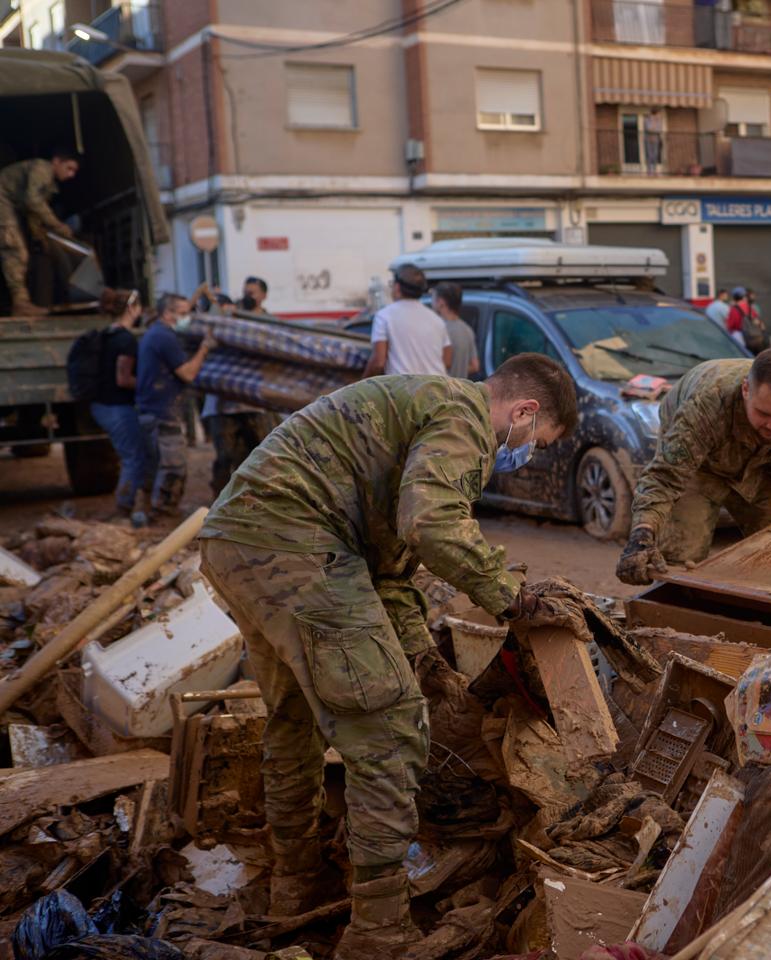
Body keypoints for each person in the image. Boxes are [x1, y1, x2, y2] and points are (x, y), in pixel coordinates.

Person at [197, 355, 580, 957]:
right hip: (296, 543)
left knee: (295, 717)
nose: (524, 454)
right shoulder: (465, 416)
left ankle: (294, 886)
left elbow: (390, 568)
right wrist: (512, 597)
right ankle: (378, 933)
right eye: (536, 441)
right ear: (525, 411)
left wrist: (424, 657)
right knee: (388, 725)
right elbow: (430, 523)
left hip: (243, 539)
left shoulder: (422, 404)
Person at [615, 348, 771, 584]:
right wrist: (642, 535)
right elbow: (664, 479)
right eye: (763, 413)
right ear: (745, 390)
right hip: (699, 465)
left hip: (758, 466)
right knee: (680, 558)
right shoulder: (705, 407)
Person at [135, 293, 214, 519]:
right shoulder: (164, 337)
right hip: (162, 412)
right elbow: (188, 373)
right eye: (182, 313)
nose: (187, 317)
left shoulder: (155, 335)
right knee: (173, 467)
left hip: (153, 410)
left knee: (156, 464)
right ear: (168, 313)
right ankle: (163, 514)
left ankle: (151, 510)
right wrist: (205, 348)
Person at [201, 275, 280, 497]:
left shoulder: (271, 323)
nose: (247, 296)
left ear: (263, 296)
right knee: (225, 457)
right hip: (223, 406)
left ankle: (257, 501)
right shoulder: (229, 319)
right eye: (245, 292)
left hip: (256, 404)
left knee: (261, 455)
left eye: (252, 293)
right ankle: (219, 504)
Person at [88, 289, 145, 525]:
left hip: (101, 405)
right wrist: (151, 384)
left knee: (131, 455)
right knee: (133, 457)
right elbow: (123, 378)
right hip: (117, 407)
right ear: (132, 309)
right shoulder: (126, 340)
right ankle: (123, 509)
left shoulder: (107, 334)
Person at [0, 149, 80, 316]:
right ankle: (20, 303)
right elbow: (33, 201)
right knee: (15, 250)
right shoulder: (42, 169)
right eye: (69, 168)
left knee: (21, 251)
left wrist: (40, 236)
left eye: (74, 171)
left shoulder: (49, 184)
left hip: (9, 203)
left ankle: (21, 302)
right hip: (2, 199)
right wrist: (58, 226)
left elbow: (33, 214)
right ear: (56, 161)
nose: (71, 175)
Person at [363, 263, 451, 377]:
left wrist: (358, 389)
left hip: (406, 391)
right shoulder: (437, 320)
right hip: (437, 389)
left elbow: (378, 363)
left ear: (397, 287)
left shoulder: (384, 316)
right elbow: (447, 361)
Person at [433, 281, 480, 379]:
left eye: (433, 299)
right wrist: (460, 369)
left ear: (441, 302)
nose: (432, 303)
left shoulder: (438, 329)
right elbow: (475, 366)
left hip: (441, 392)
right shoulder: (467, 330)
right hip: (460, 391)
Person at [727, 287, 768, 353]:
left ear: (734, 298)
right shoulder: (749, 307)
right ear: (744, 297)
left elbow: (730, 326)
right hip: (756, 338)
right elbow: (758, 321)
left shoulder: (733, 309)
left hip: (742, 339)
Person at [643, 107, 664, 175]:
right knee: (649, 155)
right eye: (658, 114)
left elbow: (659, 130)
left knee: (655, 155)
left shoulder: (659, 121)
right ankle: (649, 171)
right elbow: (648, 128)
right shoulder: (647, 120)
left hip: (656, 139)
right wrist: (653, 122)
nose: (658, 116)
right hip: (648, 139)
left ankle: (654, 170)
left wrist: (654, 125)